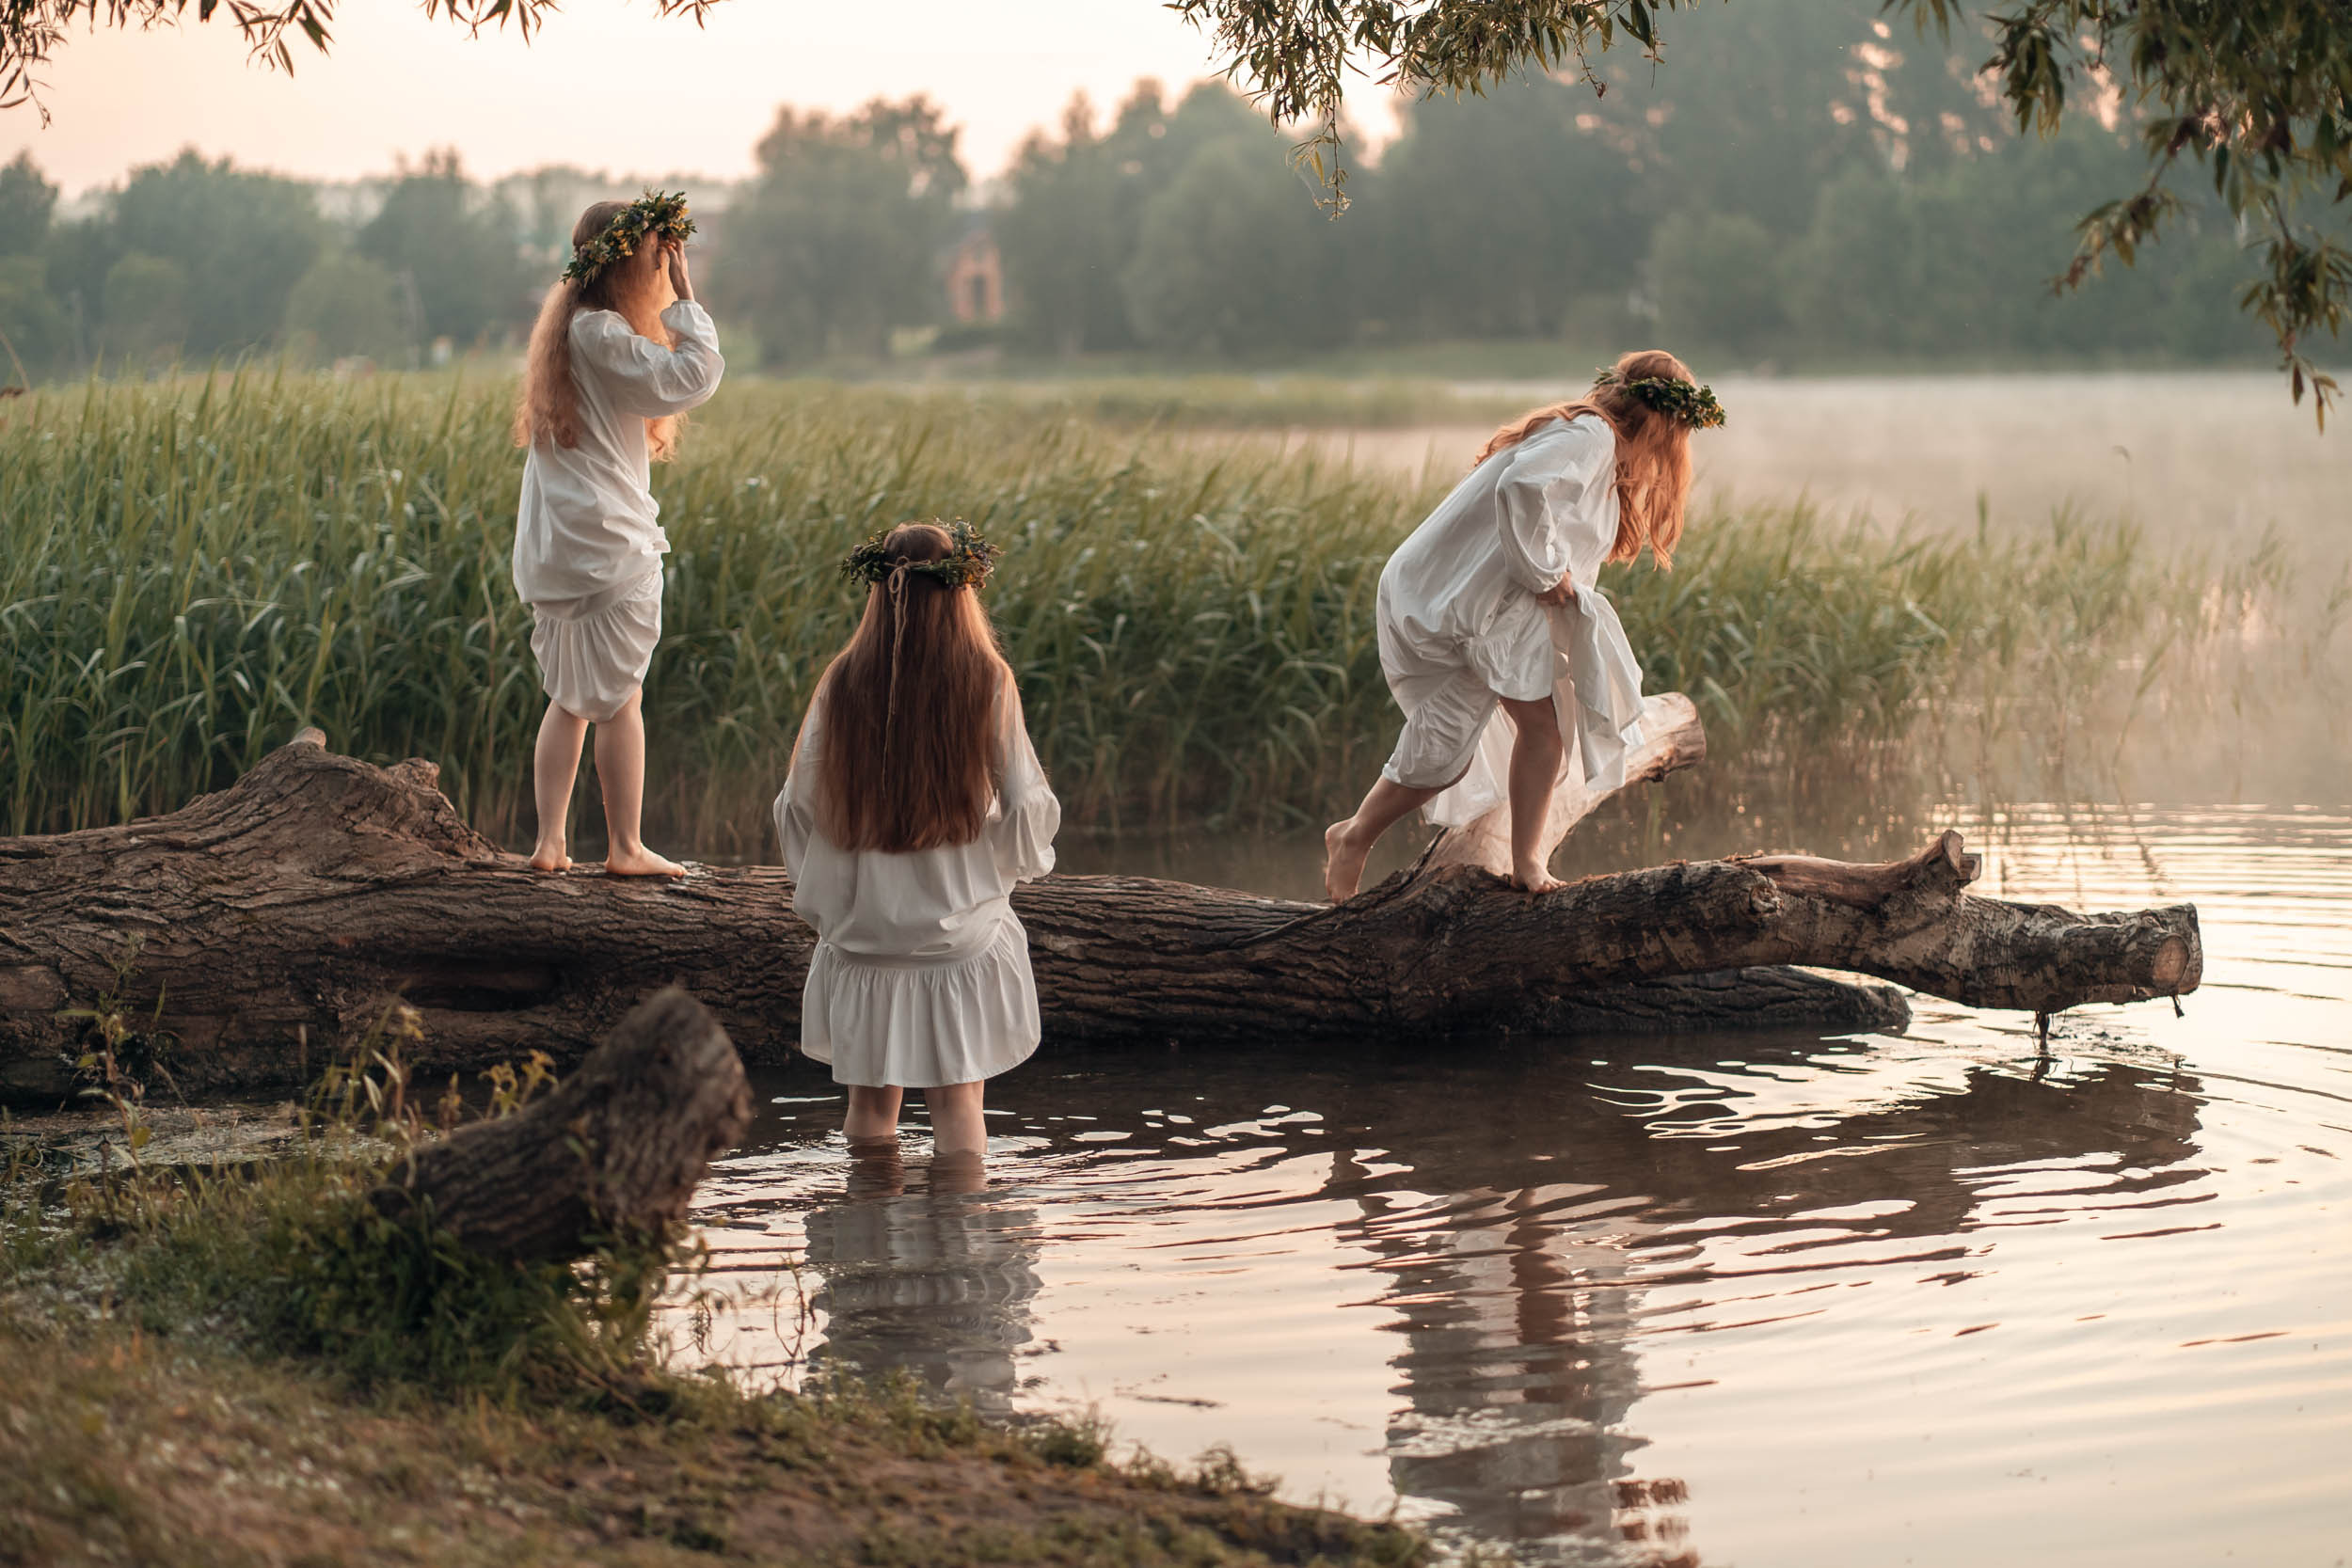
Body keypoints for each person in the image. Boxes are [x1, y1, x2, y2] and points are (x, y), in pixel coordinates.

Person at [1323, 350, 1724, 903]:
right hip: (1467, 605)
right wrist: (1543, 573)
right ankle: (1353, 836)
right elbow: (1521, 488)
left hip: (1489, 606)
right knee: (1450, 751)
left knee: (1544, 728)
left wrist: (1547, 580)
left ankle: (1525, 860)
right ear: (1664, 420)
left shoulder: (1592, 438)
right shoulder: (1591, 437)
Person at [773, 521, 1060, 1165]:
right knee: (959, 1107)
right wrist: (1001, 873)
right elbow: (1026, 806)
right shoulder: (985, 678)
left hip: (865, 937)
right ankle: (955, 1251)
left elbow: (795, 806)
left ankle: (872, 1249)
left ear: (876, 592)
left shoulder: (844, 680)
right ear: (962, 591)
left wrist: (826, 885)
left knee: (870, 1111)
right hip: (953, 939)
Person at [511, 191, 724, 877]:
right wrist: (685, 294)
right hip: (608, 546)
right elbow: (691, 376)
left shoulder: (570, 329)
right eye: (657, 259)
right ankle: (625, 848)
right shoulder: (602, 332)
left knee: (570, 698)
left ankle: (550, 845)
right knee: (620, 697)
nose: (662, 268)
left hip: (565, 548)